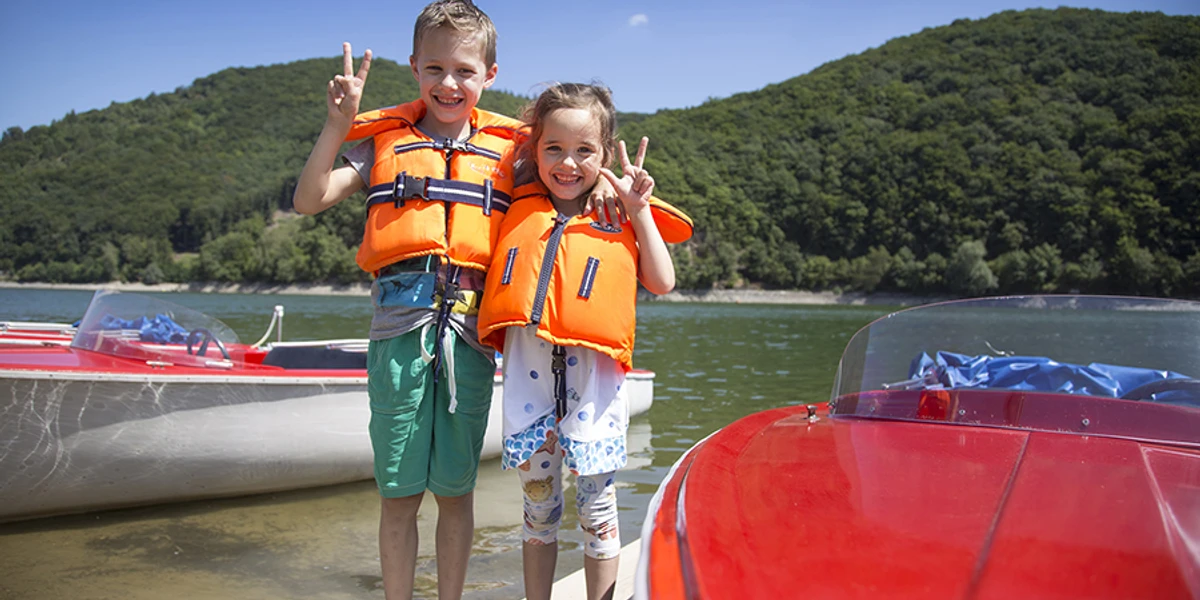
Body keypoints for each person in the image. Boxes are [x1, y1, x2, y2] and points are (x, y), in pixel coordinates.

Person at [290, 2, 613, 598]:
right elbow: (309, 199)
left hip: (468, 334)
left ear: (489, 74)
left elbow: (567, 180)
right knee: (398, 492)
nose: (448, 83)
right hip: (398, 329)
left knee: (455, 491)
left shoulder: (511, 154)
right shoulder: (382, 141)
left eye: (464, 70)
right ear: (414, 68)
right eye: (434, 68)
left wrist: (609, 199)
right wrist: (338, 124)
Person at [477, 83, 694, 600]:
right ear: (535, 149)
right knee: (537, 510)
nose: (568, 163)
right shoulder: (518, 201)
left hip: (593, 392)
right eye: (554, 148)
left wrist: (638, 206)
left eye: (584, 151)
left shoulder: (617, 213)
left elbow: (662, 281)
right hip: (530, 394)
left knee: (597, 510)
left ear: (604, 153)